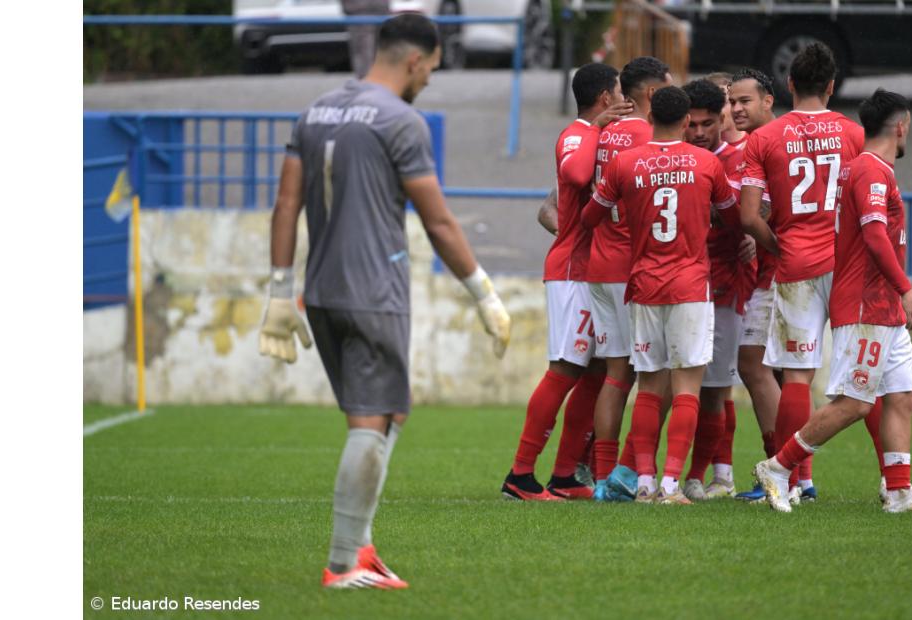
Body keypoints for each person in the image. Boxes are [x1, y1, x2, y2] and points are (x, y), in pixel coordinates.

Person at [258, 13, 511, 589]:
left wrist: (278, 292)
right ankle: (344, 563)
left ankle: (361, 548)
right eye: (432, 70)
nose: (428, 81)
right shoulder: (401, 120)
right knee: (372, 421)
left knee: (388, 411)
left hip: (319, 291)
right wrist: (484, 294)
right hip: (374, 290)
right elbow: (439, 222)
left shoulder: (314, 111)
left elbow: (285, 204)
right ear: (415, 60)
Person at [752, 89, 912, 514]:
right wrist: (906, 291)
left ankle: (898, 491)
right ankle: (779, 468)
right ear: (901, 126)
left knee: (900, 395)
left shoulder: (872, 169)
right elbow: (876, 236)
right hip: (866, 304)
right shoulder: (870, 172)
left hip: (882, 309)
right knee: (856, 403)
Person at [582, 86, 736, 504]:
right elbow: (731, 215)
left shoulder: (625, 163)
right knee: (687, 386)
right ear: (687, 121)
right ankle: (672, 483)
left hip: (645, 283)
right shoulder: (706, 163)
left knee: (649, 384)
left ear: (650, 119)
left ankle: (645, 482)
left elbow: (590, 215)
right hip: (690, 284)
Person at [738, 42, 865, 502]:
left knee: (795, 375)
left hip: (795, 266)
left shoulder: (765, 139)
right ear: (832, 86)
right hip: (847, 266)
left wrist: (779, 243)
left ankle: (791, 479)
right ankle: (896, 483)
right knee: (872, 376)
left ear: (789, 85)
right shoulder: (853, 134)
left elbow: (749, 216)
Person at [501, 63, 632, 501]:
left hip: (592, 270)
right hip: (573, 270)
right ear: (603, 99)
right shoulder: (578, 133)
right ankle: (520, 475)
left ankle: (564, 476)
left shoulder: (598, 134)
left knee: (596, 371)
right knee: (565, 369)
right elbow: (575, 176)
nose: (622, 100)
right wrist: (596, 127)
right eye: (617, 93)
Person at [585, 56, 672, 502]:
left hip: (599, 262)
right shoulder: (645, 134)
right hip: (628, 267)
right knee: (659, 377)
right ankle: (632, 471)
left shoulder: (605, 132)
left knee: (616, 374)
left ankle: (604, 478)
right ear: (653, 95)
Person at [678, 78, 756, 502]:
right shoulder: (672, 159)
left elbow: (765, 203)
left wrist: (755, 231)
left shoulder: (740, 157)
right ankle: (697, 475)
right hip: (676, 286)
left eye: (708, 123)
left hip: (724, 285)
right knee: (684, 386)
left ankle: (707, 476)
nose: (700, 132)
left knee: (715, 386)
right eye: (692, 124)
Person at [722, 68, 781, 502]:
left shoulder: (767, 143)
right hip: (782, 271)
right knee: (775, 371)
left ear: (769, 100)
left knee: (755, 366)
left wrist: (767, 241)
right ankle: (793, 475)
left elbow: (754, 214)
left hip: (782, 273)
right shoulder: (763, 143)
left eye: (745, 101)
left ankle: (783, 471)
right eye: (733, 102)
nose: (738, 109)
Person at [342, 0, 390, 79]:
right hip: (360, 10)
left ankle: (374, 83)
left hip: (369, 9)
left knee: (381, 49)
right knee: (365, 50)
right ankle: (369, 83)